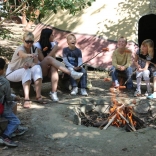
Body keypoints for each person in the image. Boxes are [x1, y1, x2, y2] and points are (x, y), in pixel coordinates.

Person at [34, 28, 83, 101]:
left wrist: (53, 51)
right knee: (48, 59)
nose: (53, 36)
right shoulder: (37, 46)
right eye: (52, 35)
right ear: (47, 36)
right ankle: (71, 73)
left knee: (54, 68)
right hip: (40, 69)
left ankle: (53, 92)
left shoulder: (52, 44)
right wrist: (54, 50)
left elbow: (53, 59)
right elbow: (43, 60)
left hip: (49, 69)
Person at [6, 32, 44, 108]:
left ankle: (38, 96)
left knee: (37, 68)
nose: (29, 44)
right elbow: (22, 55)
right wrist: (30, 55)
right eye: (27, 41)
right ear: (23, 40)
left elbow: (35, 63)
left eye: (31, 42)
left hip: (24, 71)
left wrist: (29, 64)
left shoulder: (34, 49)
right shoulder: (20, 48)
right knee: (26, 70)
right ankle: (27, 99)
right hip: (12, 73)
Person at [0, 58, 27, 147]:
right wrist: (16, 97)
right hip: (1, 107)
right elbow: (8, 98)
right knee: (16, 121)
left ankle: (15, 129)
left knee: (13, 104)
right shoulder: (4, 82)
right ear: (1, 70)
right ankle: (5, 136)